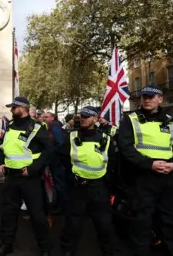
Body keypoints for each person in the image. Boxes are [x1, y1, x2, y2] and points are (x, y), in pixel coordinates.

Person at [117, 84, 173, 256]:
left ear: (160, 99)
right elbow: (126, 148)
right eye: (144, 97)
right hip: (142, 178)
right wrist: (149, 164)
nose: (147, 100)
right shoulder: (131, 119)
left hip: (167, 178)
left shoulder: (171, 121)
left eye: (151, 97)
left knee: (172, 220)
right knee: (141, 222)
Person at [0, 97, 52, 256]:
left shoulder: (37, 127)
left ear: (23, 108)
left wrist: (32, 169)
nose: (11, 110)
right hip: (11, 178)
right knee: (8, 214)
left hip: (29, 179)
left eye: (14, 107)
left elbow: (48, 152)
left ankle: (45, 248)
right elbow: (2, 149)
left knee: (37, 216)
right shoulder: (10, 126)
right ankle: (7, 244)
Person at [58, 106, 120, 256]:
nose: (83, 119)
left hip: (99, 187)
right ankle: (68, 250)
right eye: (82, 116)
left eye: (87, 116)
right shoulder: (72, 136)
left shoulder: (105, 137)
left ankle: (108, 251)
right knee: (73, 222)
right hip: (78, 187)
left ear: (95, 118)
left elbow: (113, 161)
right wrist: (72, 175)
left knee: (104, 223)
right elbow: (63, 157)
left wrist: (107, 179)